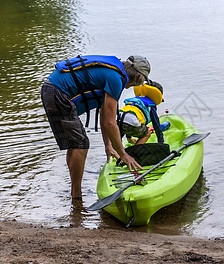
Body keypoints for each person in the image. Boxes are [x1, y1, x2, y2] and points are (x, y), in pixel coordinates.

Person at [41, 54, 150, 199]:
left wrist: (108, 146)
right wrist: (124, 155)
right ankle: (76, 195)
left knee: (76, 143)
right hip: (58, 93)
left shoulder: (114, 73)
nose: (135, 86)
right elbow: (110, 123)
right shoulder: (116, 79)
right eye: (140, 82)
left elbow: (105, 114)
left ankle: (75, 193)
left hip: (51, 90)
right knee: (80, 144)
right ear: (138, 77)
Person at [117, 81, 166, 145]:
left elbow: (128, 116)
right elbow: (156, 126)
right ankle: (134, 151)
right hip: (132, 124)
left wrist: (128, 137)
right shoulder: (151, 105)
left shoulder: (135, 100)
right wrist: (161, 142)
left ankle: (117, 151)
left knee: (125, 126)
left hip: (119, 121)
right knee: (147, 134)